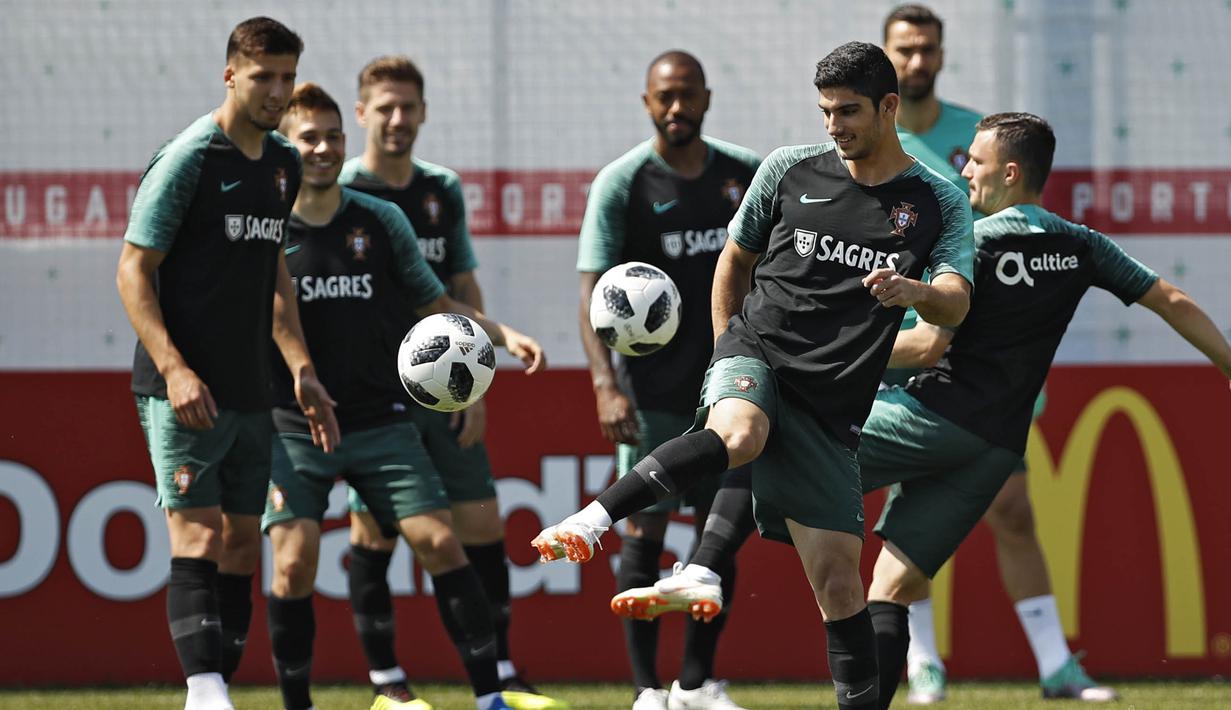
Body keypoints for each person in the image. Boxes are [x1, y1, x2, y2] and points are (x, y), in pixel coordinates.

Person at [533, 42, 974, 710]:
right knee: (737, 432)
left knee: (838, 587)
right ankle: (593, 521)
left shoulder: (936, 199)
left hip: (831, 403)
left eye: (848, 111)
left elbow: (955, 299)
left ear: (888, 108)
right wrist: (724, 352)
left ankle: (703, 578)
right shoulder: (787, 170)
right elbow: (732, 264)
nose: (833, 125)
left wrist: (913, 293)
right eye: (825, 111)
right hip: (757, 350)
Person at [859, 112, 1231, 707]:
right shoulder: (1081, 245)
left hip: (927, 420)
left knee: (779, 444)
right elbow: (1173, 299)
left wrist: (826, 360)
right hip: (996, 446)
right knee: (889, 584)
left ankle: (704, 558)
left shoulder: (968, 245)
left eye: (974, 162)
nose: (966, 172)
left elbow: (924, 347)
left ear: (1009, 171)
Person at [264, 82, 546, 710]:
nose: (323, 148)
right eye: (308, 137)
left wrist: (501, 337)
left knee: (441, 541)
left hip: (379, 421)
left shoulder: (381, 219)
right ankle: (301, 703)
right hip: (294, 424)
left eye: (332, 136)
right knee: (294, 560)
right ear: (286, 145)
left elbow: (438, 303)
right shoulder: (267, 225)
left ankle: (488, 698)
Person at [883, 6, 1111, 702]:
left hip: (978, 368)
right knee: (904, 510)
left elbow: (1018, 249)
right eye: (903, 50)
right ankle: (922, 662)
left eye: (926, 49)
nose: (916, 61)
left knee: (1011, 508)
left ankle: (1053, 666)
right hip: (901, 343)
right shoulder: (868, 142)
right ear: (885, 57)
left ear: (942, 55)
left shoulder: (979, 139)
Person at [114, 17, 339, 710]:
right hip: (182, 386)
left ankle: (215, 689)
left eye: (285, 76)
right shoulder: (189, 158)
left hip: (251, 385)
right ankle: (205, 692)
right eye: (262, 76)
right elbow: (132, 271)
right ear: (230, 74)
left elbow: (274, 276)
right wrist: (176, 369)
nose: (276, 91)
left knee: (244, 543)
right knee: (200, 531)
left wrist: (301, 369)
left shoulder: (282, 162)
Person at [336, 56, 566, 710]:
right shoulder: (341, 191)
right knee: (375, 535)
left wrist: (478, 384)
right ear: (362, 114)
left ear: (424, 111)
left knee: (481, 525)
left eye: (408, 106)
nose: (397, 119)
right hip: (373, 398)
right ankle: (387, 685)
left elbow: (460, 287)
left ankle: (501, 670)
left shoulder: (441, 189)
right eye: (384, 107)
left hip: (447, 387)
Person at [577, 50, 760, 710]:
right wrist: (605, 384)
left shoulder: (743, 174)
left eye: (687, 96)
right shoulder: (623, 184)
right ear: (646, 102)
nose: (675, 108)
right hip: (651, 391)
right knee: (644, 535)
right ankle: (645, 691)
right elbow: (592, 291)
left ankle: (696, 685)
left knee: (718, 535)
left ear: (706, 98)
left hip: (728, 387)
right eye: (664, 97)